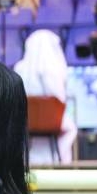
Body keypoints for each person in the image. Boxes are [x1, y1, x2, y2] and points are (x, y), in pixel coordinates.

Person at [13, 29, 77, 164]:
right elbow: (59, 99)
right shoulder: (52, 69)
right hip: (50, 121)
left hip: (26, 122)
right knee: (71, 128)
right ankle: (63, 162)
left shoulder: (19, 68)